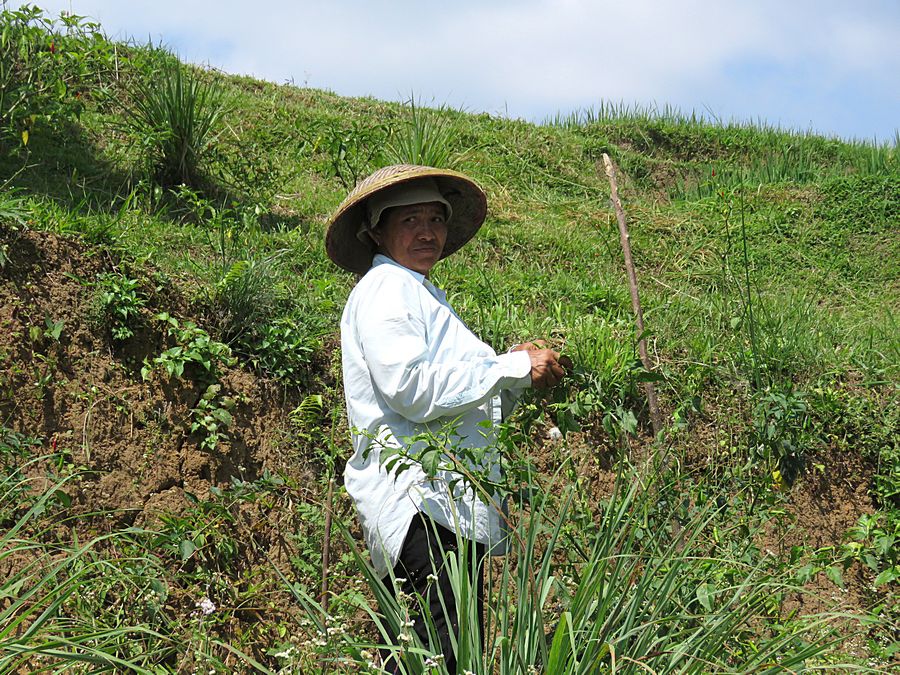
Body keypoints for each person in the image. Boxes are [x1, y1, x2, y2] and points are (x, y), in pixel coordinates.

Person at [326, 164, 565, 671]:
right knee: (438, 657)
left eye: (436, 218)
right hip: (421, 504)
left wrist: (510, 372)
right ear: (376, 231)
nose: (427, 231)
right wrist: (509, 365)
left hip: (442, 507)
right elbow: (410, 387)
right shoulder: (389, 290)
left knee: (435, 657)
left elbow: (460, 403)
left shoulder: (418, 293)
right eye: (410, 219)